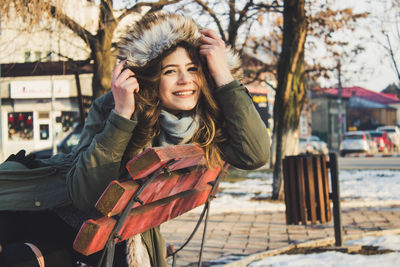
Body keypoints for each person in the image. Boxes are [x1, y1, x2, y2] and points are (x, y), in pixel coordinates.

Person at [0, 11, 269, 267]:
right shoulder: (117, 105)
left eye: (192, 69)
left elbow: (255, 154)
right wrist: (121, 113)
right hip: (36, 204)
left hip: (85, 233)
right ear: (152, 79)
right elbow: (83, 190)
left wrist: (224, 76)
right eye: (170, 71)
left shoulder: (203, 124)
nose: (185, 80)